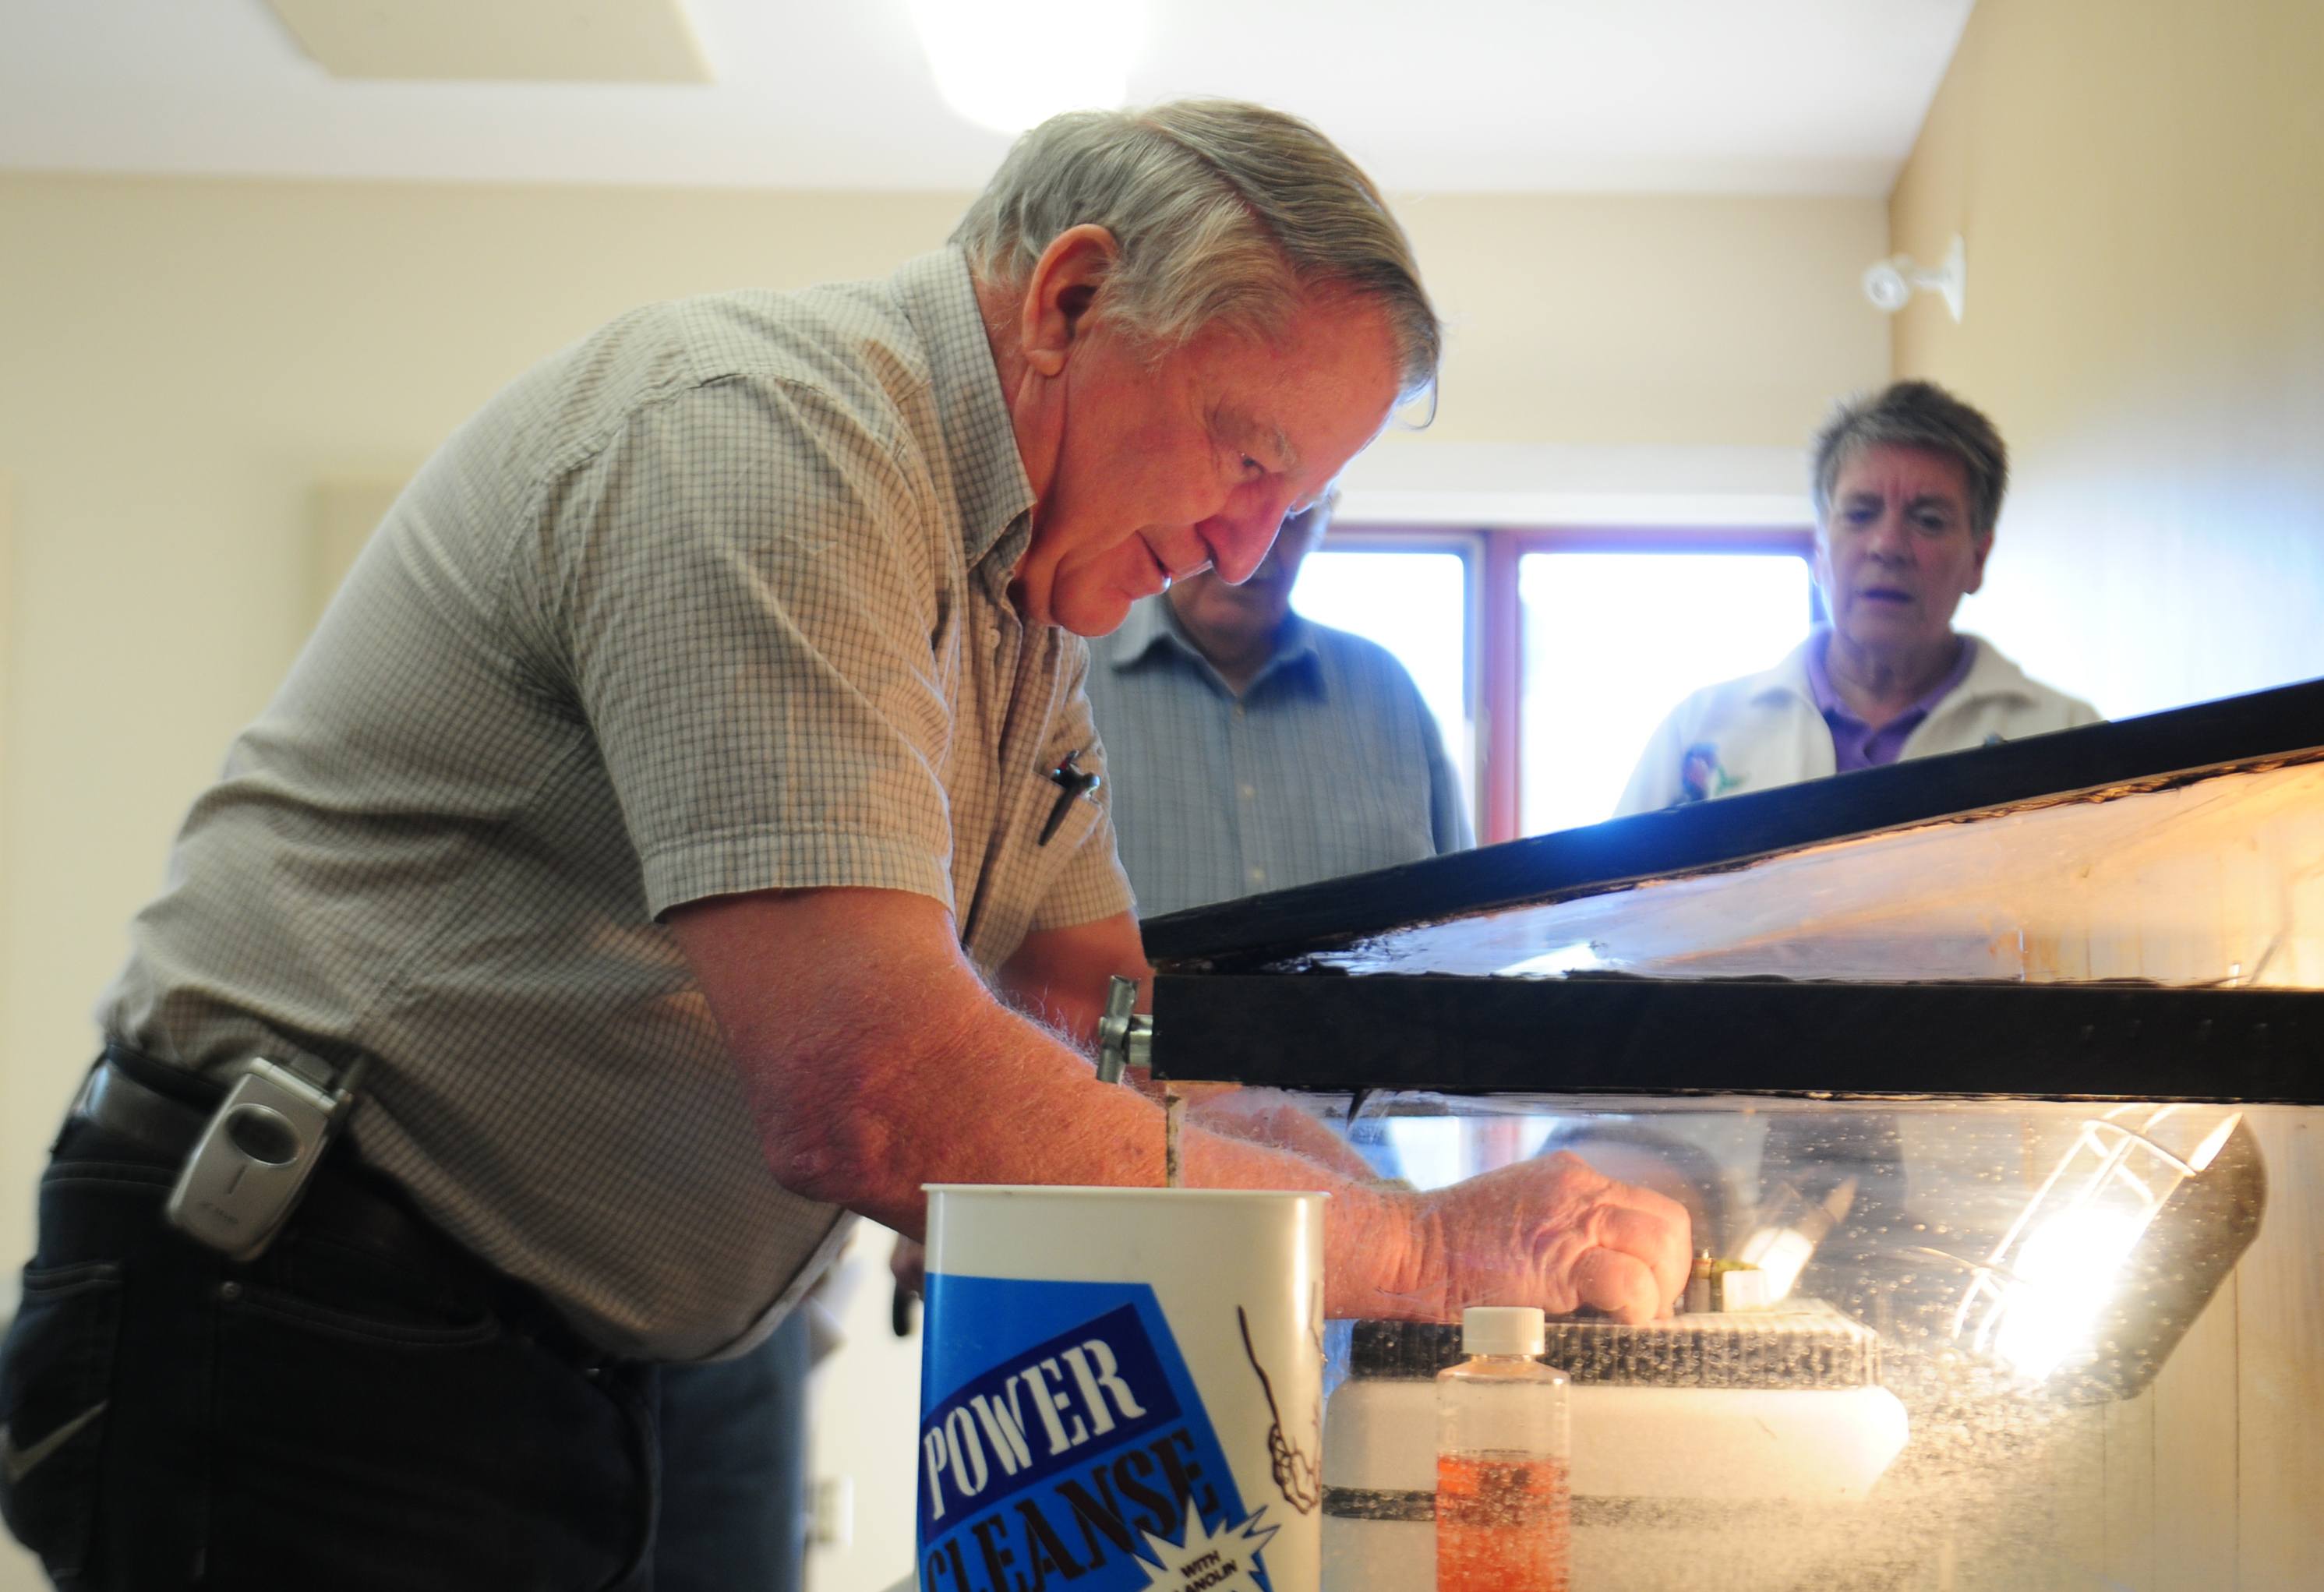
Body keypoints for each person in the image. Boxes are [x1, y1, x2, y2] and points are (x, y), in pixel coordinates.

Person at [0, 101, 1689, 1591]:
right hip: (325, 1318)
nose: (1251, 546)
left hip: (650, 1351)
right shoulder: (771, 448)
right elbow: (871, 1080)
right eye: (1249, 457)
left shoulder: (1024, 607)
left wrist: (1462, 1220)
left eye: (1301, 498)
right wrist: (1432, 1252)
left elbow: (1126, 1020)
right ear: (1072, 300)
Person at [1615, 379, 2101, 817]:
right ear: (1820, 549)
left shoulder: (2069, 738)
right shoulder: (1699, 733)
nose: (1887, 546)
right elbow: (1608, 907)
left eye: (1928, 520)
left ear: (1978, 558)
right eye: (1860, 513)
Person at [1083, 490, 1471, 917]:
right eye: (1221, 509)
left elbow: (1463, 915)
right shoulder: (1072, 678)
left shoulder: (1389, 690)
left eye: (1289, 517)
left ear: (1316, 530)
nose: (1252, 548)